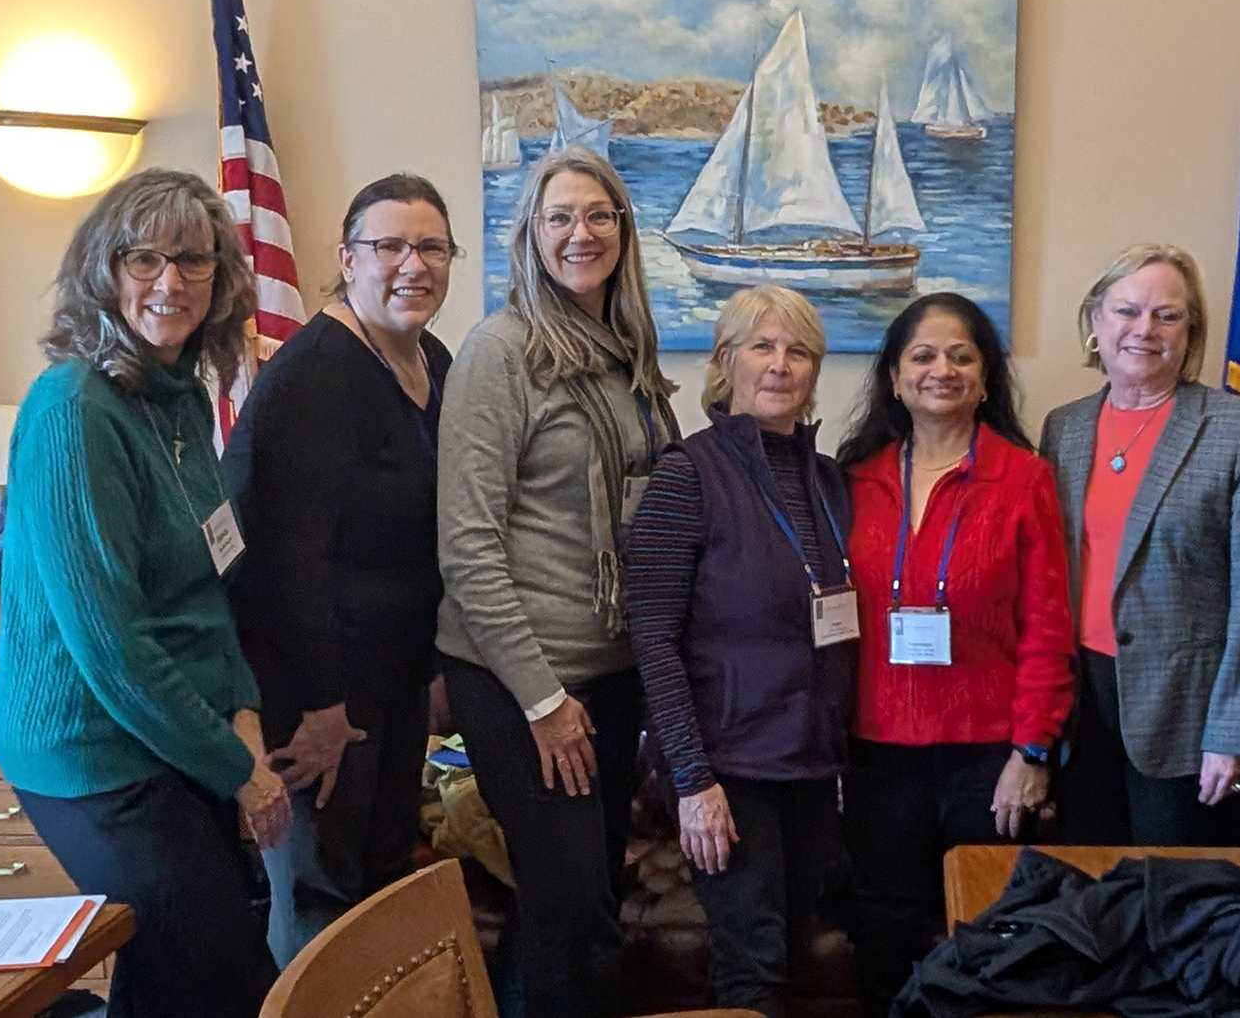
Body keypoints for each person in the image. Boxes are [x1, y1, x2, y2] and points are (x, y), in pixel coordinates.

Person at [0, 169, 286, 1016]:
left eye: (193, 261)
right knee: (214, 975)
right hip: (90, 754)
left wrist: (244, 709)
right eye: (145, 258)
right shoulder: (74, 409)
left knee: (186, 977)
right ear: (104, 270)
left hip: (170, 737)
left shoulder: (179, 399)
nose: (171, 283)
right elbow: (111, 644)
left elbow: (209, 581)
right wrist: (239, 769)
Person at [437, 149, 679, 1018]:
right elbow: (467, 546)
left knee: (575, 909)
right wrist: (542, 699)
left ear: (624, 231)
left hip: (612, 678)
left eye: (600, 216)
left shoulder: (627, 355)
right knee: (575, 909)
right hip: (523, 682)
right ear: (529, 236)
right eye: (560, 218)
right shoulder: (499, 353)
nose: (582, 234)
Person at [223, 173, 459, 963]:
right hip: (317, 699)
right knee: (321, 903)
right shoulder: (314, 376)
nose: (411, 264)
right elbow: (285, 562)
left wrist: (428, 668)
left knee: (385, 882)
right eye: (388, 245)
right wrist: (321, 707)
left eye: (430, 246)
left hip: (389, 685)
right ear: (346, 260)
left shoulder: (433, 361)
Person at [835, 292, 1075, 1018]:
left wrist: (1031, 756)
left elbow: (1047, 628)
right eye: (923, 355)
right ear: (894, 378)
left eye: (961, 355)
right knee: (883, 931)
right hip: (877, 754)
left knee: (989, 932)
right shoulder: (852, 479)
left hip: (988, 759)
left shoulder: (1024, 479)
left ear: (986, 376)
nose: (942, 369)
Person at [625, 286, 854, 1018]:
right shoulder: (687, 474)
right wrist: (692, 781)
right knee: (750, 968)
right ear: (726, 363)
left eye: (798, 350)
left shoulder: (828, 482)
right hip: (730, 768)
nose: (781, 365)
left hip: (811, 765)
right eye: (763, 346)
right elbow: (652, 639)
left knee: (784, 949)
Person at [1040, 244, 1240, 847]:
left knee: (1174, 895)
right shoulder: (1063, 428)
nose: (1144, 330)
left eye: (1167, 316)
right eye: (1127, 311)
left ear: (1190, 332)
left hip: (1188, 713)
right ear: (1095, 322)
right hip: (1084, 706)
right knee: (1092, 889)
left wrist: (1234, 732)